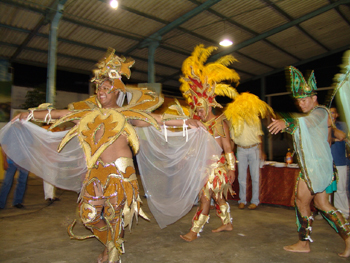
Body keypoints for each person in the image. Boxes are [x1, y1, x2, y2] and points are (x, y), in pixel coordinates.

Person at [14, 48, 204, 263]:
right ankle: (111, 245)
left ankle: (113, 254)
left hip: (121, 174)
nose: (100, 91)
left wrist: (187, 122)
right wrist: (28, 114)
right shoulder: (86, 114)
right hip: (95, 173)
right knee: (90, 217)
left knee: (115, 218)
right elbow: (57, 113)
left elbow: (158, 119)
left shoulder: (128, 114)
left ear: (116, 93)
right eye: (98, 88)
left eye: (106, 88)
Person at [268, 66, 350, 257]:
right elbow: (302, 127)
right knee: (322, 205)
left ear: (314, 98)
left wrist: (287, 122)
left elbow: (307, 122)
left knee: (301, 201)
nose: (301, 104)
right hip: (318, 167)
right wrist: (285, 125)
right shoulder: (313, 115)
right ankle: (347, 238)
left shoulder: (320, 112)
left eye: (304, 100)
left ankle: (304, 242)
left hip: (314, 169)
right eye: (298, 101)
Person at [178, 45, 239, 242]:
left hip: (215, 168)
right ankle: (227, 222)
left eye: (201, 109)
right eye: (196, 109)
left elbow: (228, 147)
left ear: (208, 104)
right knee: (217, 197)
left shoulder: (219, 122)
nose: (199, 112)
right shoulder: (199, 124)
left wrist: (231, 169)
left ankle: (194, 231)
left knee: (205, 199)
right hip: (200, 167)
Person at [225, 91, 272, 210]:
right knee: (241, 177)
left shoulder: (254, 118)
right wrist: (229, 153)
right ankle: (242, 200)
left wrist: (261, 151)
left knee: (255, 176)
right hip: (240, 150)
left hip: (254, 149)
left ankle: (255, 201)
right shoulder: (233, 120)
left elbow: (259, 135)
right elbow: (231, 139)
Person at [330, 106, 349, 218]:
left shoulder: (342, 125)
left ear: (337, 115)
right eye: (329, 113)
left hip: (340, 162)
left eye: (333, 113)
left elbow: (342, 136)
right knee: (326, 190)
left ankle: (344, 213)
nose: (331, 115)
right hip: (327, 163)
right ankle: (327, 212)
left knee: (340, 189)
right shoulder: (324, 127)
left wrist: (331, 127)